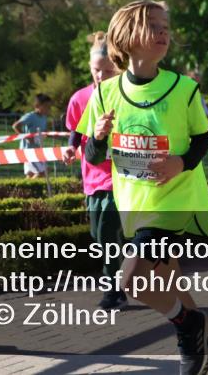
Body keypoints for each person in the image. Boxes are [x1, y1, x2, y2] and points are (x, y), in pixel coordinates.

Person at [78, 0, 208, 375]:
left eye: (165, 27)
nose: (164, 33)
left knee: (131, 280)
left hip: (177, 200)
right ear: (127, 37)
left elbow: (202, 139)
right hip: (135, 203)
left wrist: (179, 162)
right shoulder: (104, 94)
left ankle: (187, 327)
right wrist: (97, 136)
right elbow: (93, 156)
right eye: (154, 26)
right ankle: (207, 348)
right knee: (167, 280)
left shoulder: (183, 88)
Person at [64, 32, 127, 310]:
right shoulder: (81, 97)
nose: (100, 76)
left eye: (107, 70)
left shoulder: (127, 96)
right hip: (92, 176)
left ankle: (112, 288)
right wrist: (70, 147)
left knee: (108, 228)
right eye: (96, 70)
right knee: (98, 234)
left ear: (118, 67)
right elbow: (76, 131)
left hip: (121, 175)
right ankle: (121, 273)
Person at [14, 94, 52, 179]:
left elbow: (43, 130)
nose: (48, 109)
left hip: (37, 149)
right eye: (46, 106)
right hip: (28, 150)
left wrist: (45, 133)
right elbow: (15, 126)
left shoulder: (44, 118)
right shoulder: (30, 116)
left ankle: (24, 190)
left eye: (49, 107)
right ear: (37, 105)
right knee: (44, 171)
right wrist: (27, 137)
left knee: (30, 174)